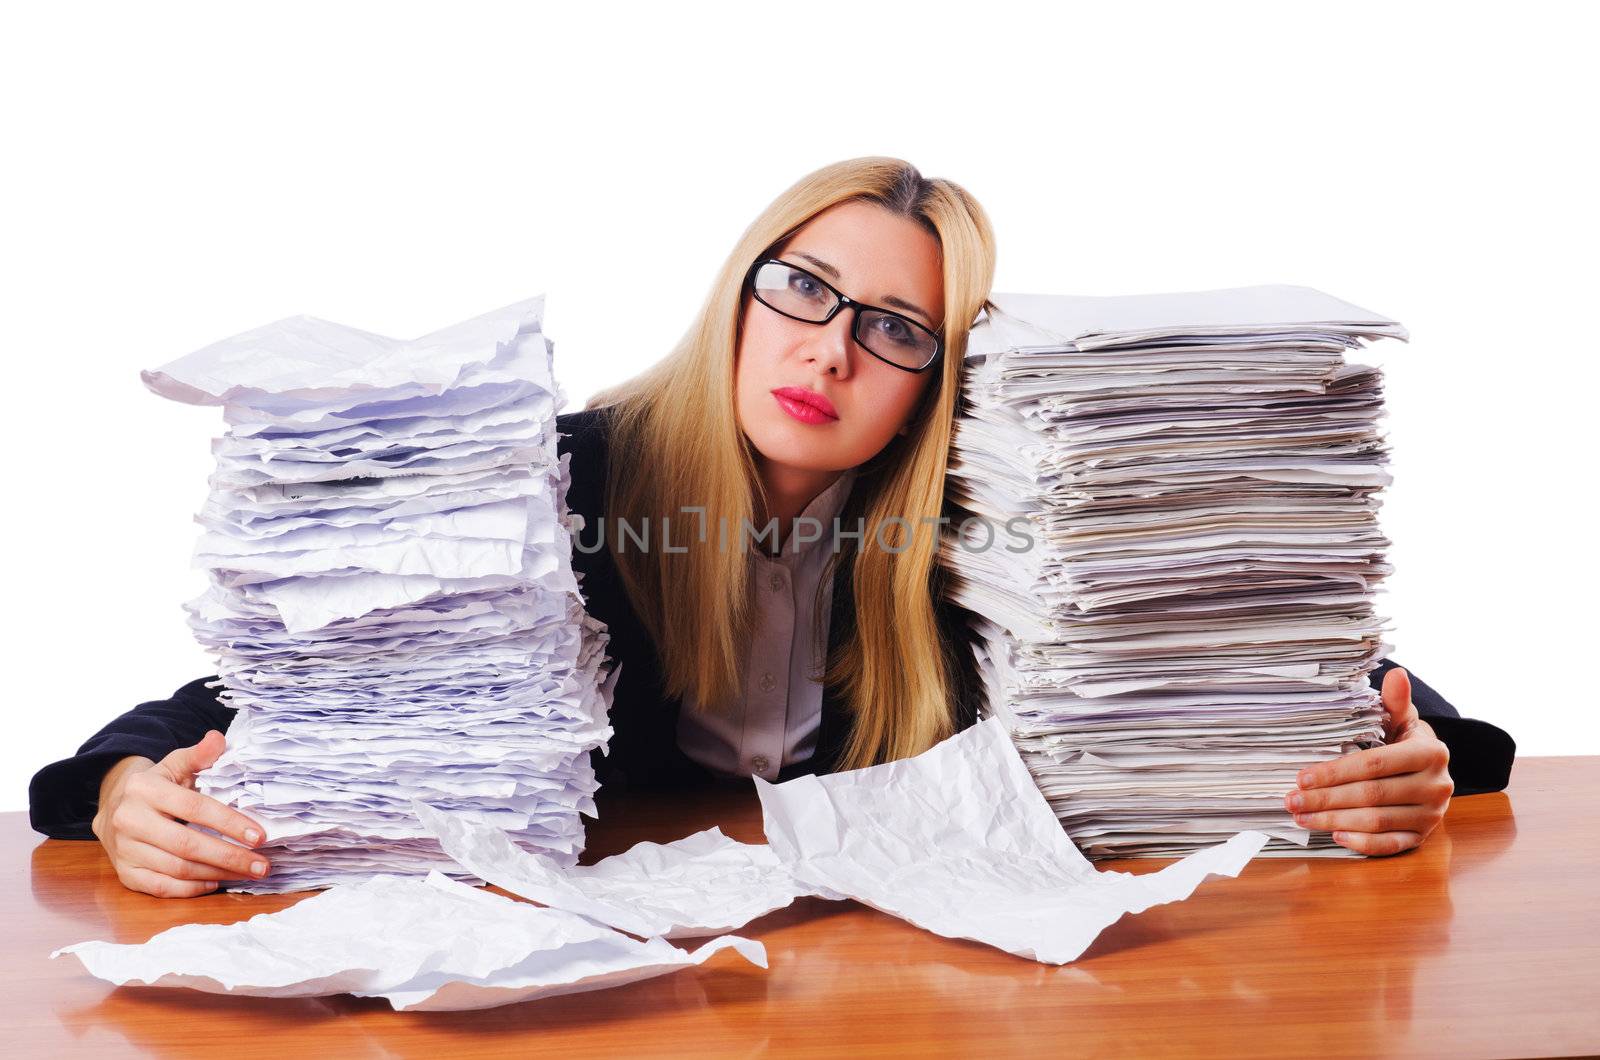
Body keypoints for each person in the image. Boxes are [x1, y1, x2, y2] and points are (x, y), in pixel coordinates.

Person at [29, 158, 1516, 898]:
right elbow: (277, 695)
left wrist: (1414, 756)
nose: (828, 351)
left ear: (943, 378)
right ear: (741, 290)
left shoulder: (986, 528)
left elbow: (1293, 655)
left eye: (893, 328)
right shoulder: (559, 480)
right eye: (801, 290)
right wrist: (114, 790)